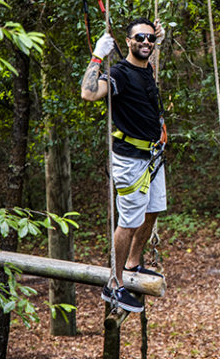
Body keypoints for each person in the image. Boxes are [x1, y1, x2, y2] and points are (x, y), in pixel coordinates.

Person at [81, 18, 167, 312]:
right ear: (127, 42)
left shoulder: (147, 69)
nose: (146, 42)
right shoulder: (118, 73)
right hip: (130, 160)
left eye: (150, 39)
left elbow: (148, 60)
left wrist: (157, 40)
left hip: (153, 155)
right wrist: (97, 56)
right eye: (139, 38)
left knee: (153, 209)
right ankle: (114, 284)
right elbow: (89, 93)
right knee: (128, 221)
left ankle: (133, 263)